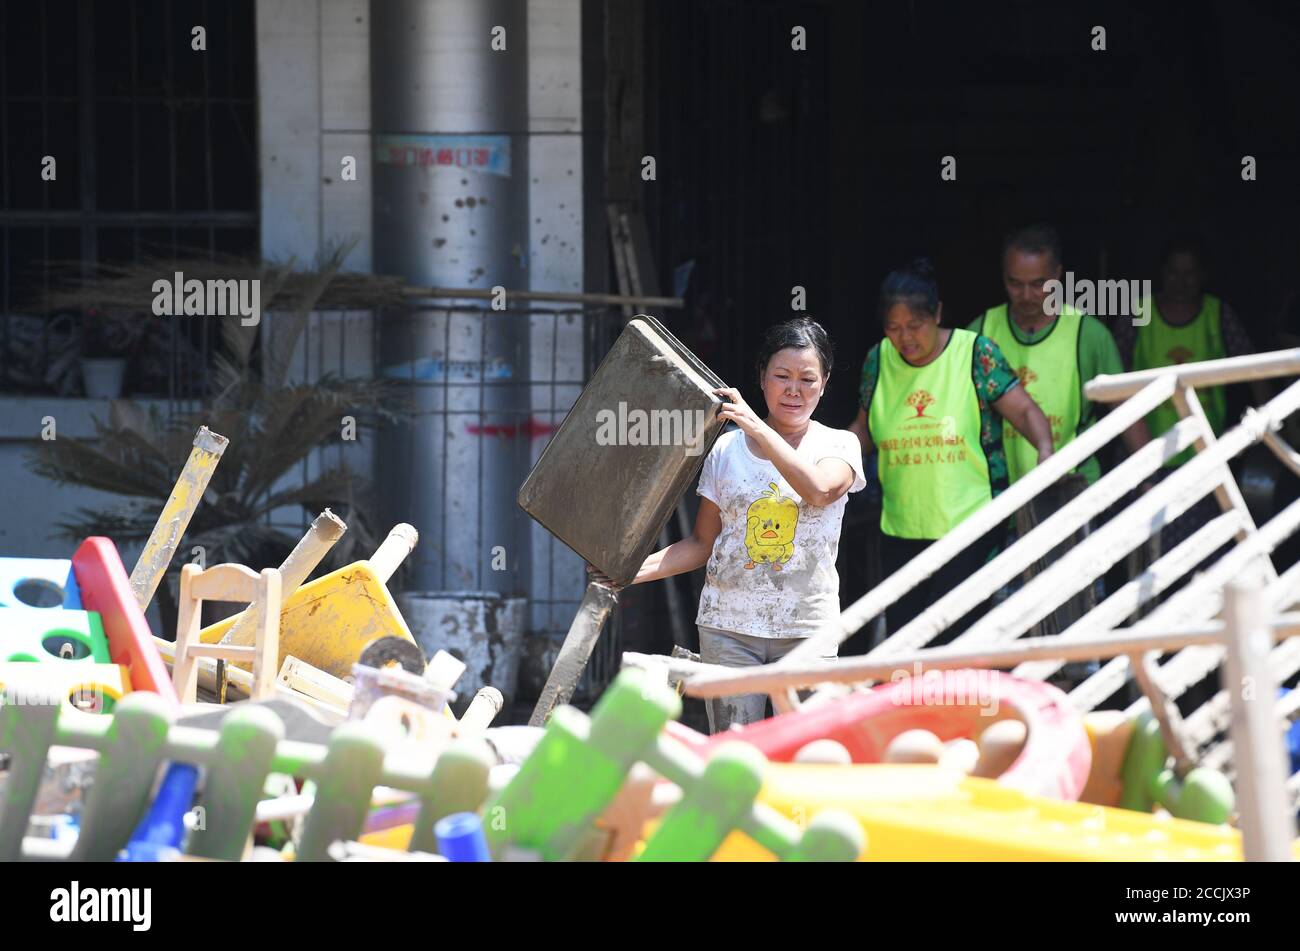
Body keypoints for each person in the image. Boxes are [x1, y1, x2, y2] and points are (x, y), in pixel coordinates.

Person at [592, 317, 866, 733]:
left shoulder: (838, 444)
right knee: (735, 749)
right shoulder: (727, 449)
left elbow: (819, 491)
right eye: (782, 376)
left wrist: (756, 426)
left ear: (824, 383)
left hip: (808, 631)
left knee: (806, 750)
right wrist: (626, 572)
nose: (794, 389)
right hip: (729, 631)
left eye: (808, 379)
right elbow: (702, 543)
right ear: (762, 377)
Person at [847, 259, 1054, 642]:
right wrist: (827, 458)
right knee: (906, 642)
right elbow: (864, 431)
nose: (905, 338)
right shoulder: (878, 361)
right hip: (901, 527)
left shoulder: (975, 353)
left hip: (969, 528)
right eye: (893, 328)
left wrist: (1045, 449)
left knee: (954, 640)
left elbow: (1023, 410)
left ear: (938, 314)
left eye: (915, 326)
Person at [1113, 234, 1271, 554]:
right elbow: (1115, 379)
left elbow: (1257, 371)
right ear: (1161, 274)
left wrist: (1266, 422)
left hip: (1206, 455)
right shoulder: (1138, 312)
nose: (1181, 282)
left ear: (1203, 276)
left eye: (1190, 273)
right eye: (1173, 272)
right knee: (1150, 553)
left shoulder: (1218, 314)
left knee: (1202, 553)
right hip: (1148, 453)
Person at [970, 224, 1149, 485]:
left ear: (1057, 275)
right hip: (997, 493)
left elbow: (1126, 411)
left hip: (1071, 488)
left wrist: (1151, 476)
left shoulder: (1088, 335)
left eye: (1038, 284)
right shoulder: (980, 333)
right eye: (1015, 283)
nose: (1027, 295)